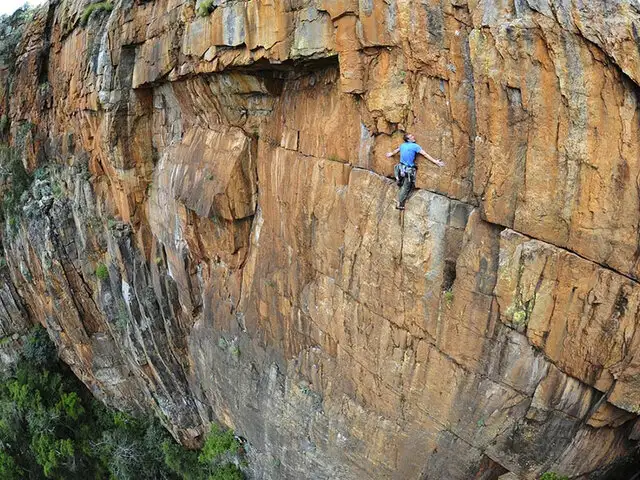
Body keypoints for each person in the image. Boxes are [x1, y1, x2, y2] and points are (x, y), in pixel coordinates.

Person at [386, 133, 444, 210]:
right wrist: (435, 162)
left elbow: (396, 150)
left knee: (402, 181)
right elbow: (425, 154)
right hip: (408, 170)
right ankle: (399, 203)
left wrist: (390, 154)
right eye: (411, 137)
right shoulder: (415, 146)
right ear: (408, 139)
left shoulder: (403, 145)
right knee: (406, 187)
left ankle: (400, 181)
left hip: (400, 168)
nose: (414, 137)